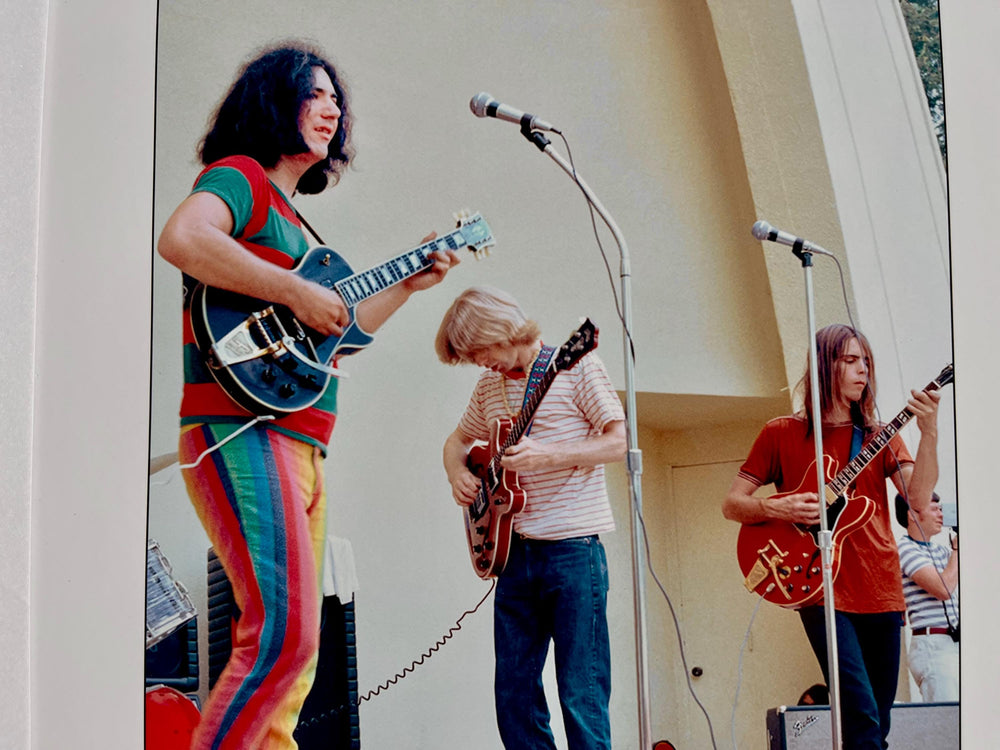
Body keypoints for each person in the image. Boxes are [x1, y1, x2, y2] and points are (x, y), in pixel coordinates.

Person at [157, 42, 459, 750]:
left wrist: (409, 286)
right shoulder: (239, 181)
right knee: (283, 640)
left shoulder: (300, 230)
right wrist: (296, 289)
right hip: (241, 429)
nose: (331, 110)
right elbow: (183, 236)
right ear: (271, 102)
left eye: (337, 101)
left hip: (302, 442)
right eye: (314, 94)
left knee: (295, 658)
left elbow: (340, 337)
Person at [722, 324, 940, 749]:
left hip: (880, 587)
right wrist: (774, 505)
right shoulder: (780, 432)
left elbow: (917, 500)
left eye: (867, 363)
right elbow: (733, 504)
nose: (864, 371)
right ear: (826, 365)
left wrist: (929, 433)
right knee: (859, 716)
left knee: (878, 720)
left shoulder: (882, 435)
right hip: (820, 588)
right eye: (852, 361)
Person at [437, 286, 626, 749]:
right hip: (514, 558)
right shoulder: (488, 388)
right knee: (514, 694)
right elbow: (455, 444)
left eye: (479, 350)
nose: (480, 363)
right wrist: (456, 473)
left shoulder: (578, 366)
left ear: (499, 332)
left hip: (573, 554)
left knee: (580, 691)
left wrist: (549, 455)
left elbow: (619, 442)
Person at [895, 492, 959, 702]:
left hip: (952, 642)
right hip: (933, 644)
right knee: (946, 719)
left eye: (941, 509)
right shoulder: (905, 549)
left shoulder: (941, 551)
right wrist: (958, 549)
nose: (941, 514)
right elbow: (943, 588)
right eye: (934, 509)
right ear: (913, 514)